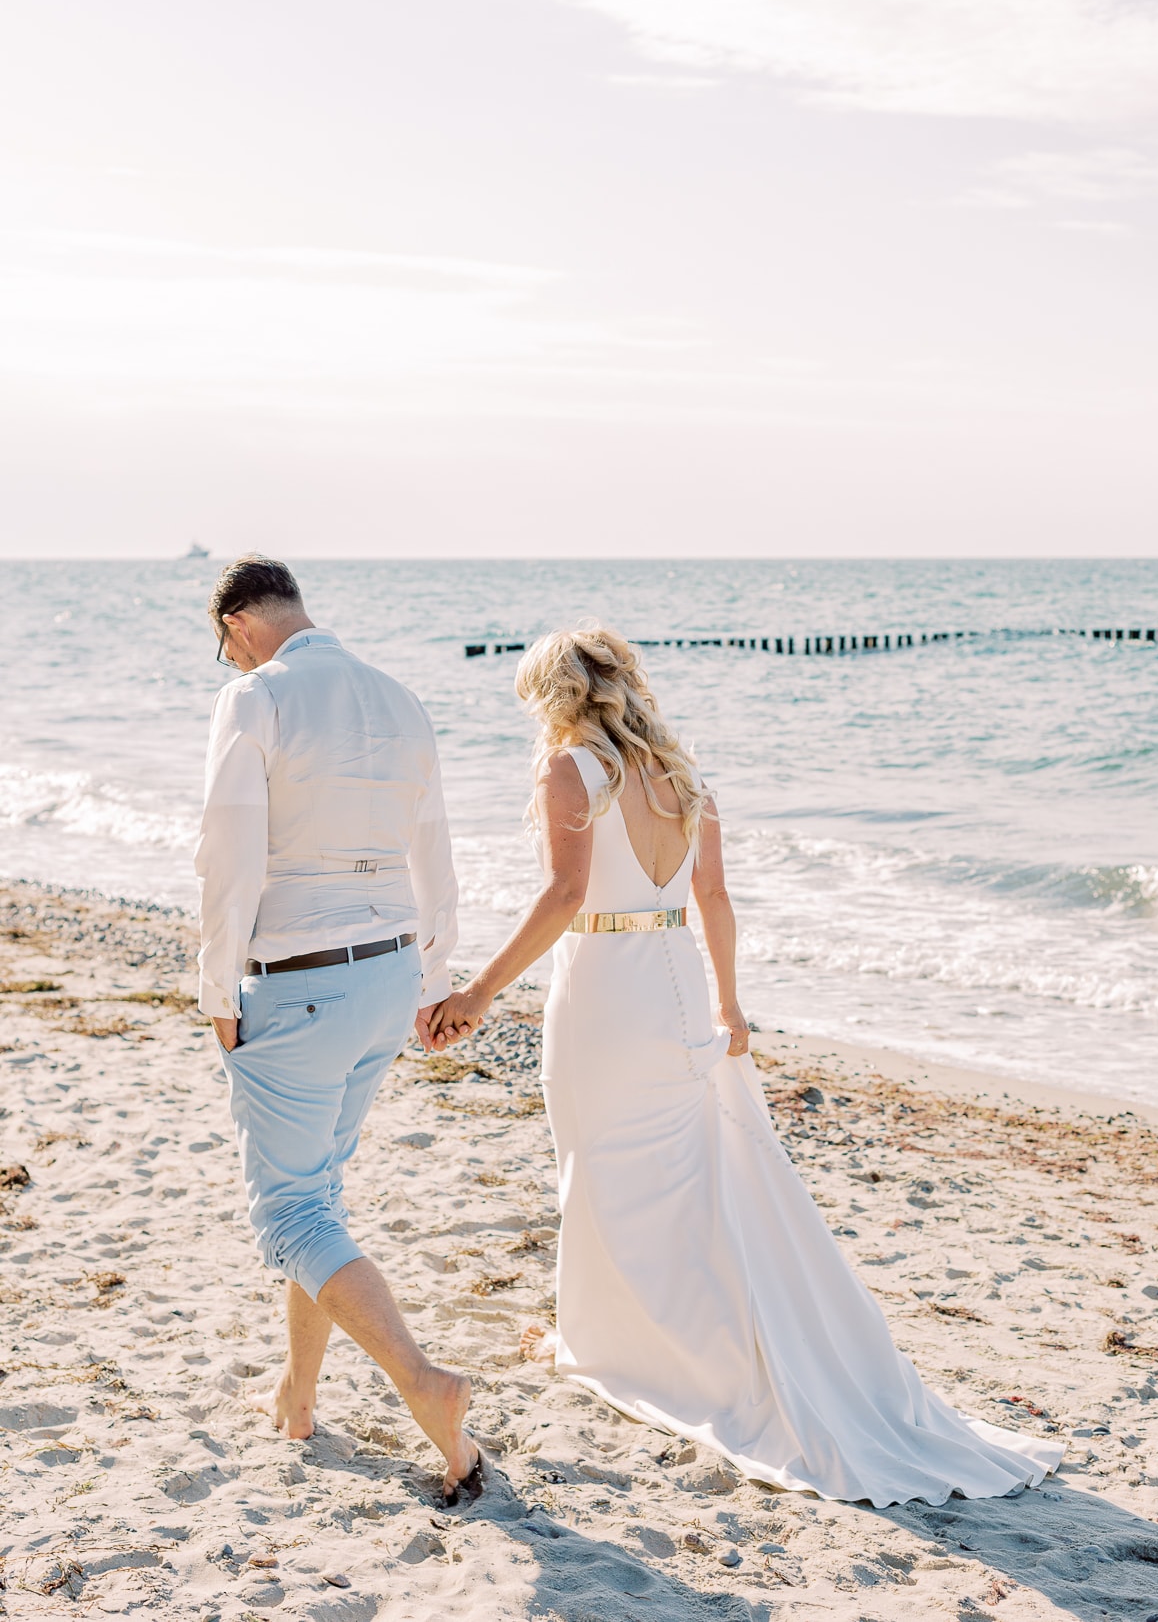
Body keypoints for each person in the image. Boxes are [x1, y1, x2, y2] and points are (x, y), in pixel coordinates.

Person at [429, 623, 1061, 1507]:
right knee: (687, 1176)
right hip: (679, 977)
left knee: (601, 1166)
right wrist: (729, 1004)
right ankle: (629, 1337)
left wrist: (483, 989)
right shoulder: (683, 774)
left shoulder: (568, 767)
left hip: (608, 985)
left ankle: (618, 1344)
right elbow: (713, 899)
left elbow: (566, 894)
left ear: (553, 694)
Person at [195, 554, 480, 1504]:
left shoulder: (257, 698)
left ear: (237, 624)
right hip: (389, 973)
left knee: (292, 1214)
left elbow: (225, 854)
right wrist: (435, 978)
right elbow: (435, 849)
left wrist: (217, 991)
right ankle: (299, 1392)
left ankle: (422, 1382)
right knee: (318, 1191)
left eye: (221, 644)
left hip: (301, 981)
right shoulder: (399, 696)